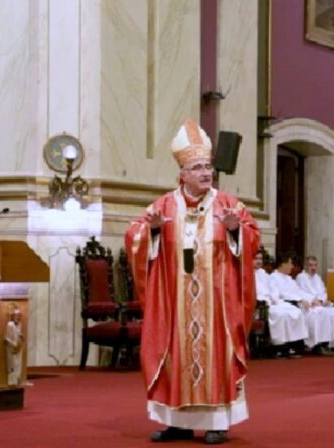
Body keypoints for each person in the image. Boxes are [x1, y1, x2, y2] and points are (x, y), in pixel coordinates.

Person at [124, 119, 260, 445]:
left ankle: (217, 421)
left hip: (217, 303)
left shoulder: (229, 205)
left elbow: (252, 238)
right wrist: (153, 231)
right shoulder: (163, 205)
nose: (205, 173)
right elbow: (134, 236)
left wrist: (234, 231)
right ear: (182, 174)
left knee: (217, 355)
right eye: (197, 167)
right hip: (175, 303)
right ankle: (177, 422)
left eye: (208, 166)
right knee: (175, 355)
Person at [269, 253, 334, 356]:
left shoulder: (289, 278)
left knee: (321, 311)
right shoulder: (273, 277)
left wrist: (312, 299)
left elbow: (299, 291)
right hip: (290, 304)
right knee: (314, 313)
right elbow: (282, 294)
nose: (292, 266)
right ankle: (312, 344)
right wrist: (299, 300)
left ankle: (323, 344)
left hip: (300, 303)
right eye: (290, 264)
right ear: (282, 264)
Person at [254, 251, 308, 359]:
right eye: (256, 259)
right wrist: (264, 300)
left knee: (294, 311)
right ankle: (277, 347)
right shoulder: (248, 273)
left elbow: (272, 289)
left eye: (260, 259)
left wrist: (273, 298)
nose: (259, 261)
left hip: (272, 301)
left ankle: (291, 345)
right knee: (280, 314)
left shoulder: (263, 273)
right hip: (260, 304)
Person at [296, 255, 334, 354]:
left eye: (315, 265)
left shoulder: (317, 278)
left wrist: (322, 300)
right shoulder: (300, 277)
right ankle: (321, 344)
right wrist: (313, 300)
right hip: (309, 308)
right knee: (322, 313)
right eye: (310, 265)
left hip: (321, 305)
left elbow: (323, 292)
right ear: (305, 266)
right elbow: (299, 293)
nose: (313, 268)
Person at [5, 308, 24, 386]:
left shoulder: (20, 324)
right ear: (13, 316)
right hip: (11, 348)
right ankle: (11, 381)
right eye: (16, 316)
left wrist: (22, 338)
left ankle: (17, 380)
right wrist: (13, 344)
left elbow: (19, 335)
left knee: (18, 364)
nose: (18, 317)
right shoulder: (10, 324)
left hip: (19, 347)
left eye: (19, 316)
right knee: (12, 365)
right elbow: (6, 338)